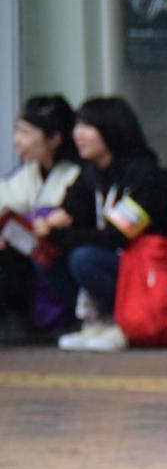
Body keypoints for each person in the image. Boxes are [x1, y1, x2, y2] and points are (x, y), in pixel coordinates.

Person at [34, 97, 167, 352]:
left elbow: (118, 236)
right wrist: (45, 229)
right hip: (112, 259)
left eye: (87, 127)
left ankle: (120, 321)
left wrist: (60, 234)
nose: (78, 134)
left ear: (111, 129)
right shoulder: (90, 172)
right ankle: (94, 321)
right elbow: (69, 211)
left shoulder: (143, 173)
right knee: (44, 254)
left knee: (84, 258)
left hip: (142, 267)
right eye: (77, 126)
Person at [2, 96, 82, 332]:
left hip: (59, 259)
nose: (17, 141)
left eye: (25, 133)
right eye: (17, 132)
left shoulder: (76, 175)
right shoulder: (30, 173)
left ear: (54, 139)